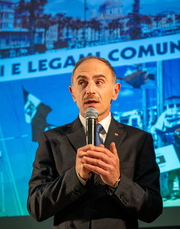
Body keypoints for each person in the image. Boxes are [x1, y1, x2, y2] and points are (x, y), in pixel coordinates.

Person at [27, 56, 163, 228]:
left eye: (99, 82)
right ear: (73, 93)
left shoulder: (139, 140)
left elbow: (152, 209)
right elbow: (36, 207)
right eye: (82, 83)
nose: (90, 90)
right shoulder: (51, 139)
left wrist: (117, 182)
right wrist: (76, 177)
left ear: (115, 91)